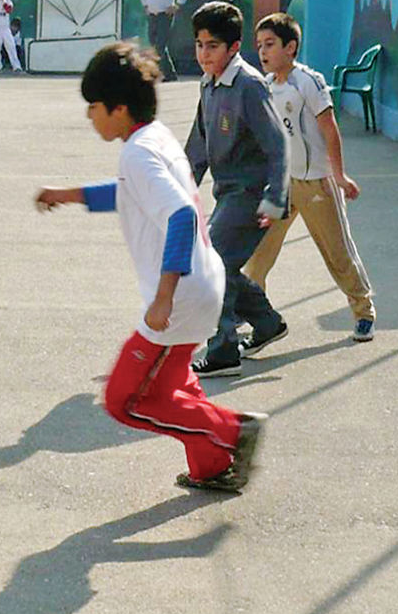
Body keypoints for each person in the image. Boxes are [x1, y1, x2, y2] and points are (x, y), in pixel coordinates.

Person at [34, 42, 267, 492]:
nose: (89, 117)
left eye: (94, 107)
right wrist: (68, 194)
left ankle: (232, 431)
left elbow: (179, 214)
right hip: (202, 284)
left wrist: (163, 297)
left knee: (125, 400)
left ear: (119, 108)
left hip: (179, 296)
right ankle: (212, 465)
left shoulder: (138, 153)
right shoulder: (153, 138)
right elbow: (128, 195)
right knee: (171, 388)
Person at [245, 13, 377, 344]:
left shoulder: (309, 82)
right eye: (259, 45)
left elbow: (329, 129)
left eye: (270, 44)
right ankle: (253, 316)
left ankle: (363, 312)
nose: (263, 52)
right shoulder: (265, 87)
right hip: (282, 186)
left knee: (338, 254)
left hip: (317, 184)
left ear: (290, 47)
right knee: (258, 254)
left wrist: (339, 175)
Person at [185, 1, 290, 377]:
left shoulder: (248, 85)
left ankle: (224, 350)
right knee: (221, 264)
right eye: (199, 44)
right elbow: (198, 144)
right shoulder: (208, 83)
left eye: (212, 45)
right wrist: (181, 189)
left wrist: (275, 196)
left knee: (212, 266)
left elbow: (278, 145)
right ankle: (266, 324)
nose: (203, 53)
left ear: (233, 47)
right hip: (228, 193)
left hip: (254, 195)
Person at [139, 0, 190, 81]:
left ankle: (164, 75)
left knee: (160, 45)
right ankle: (168, 74)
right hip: (152, 15)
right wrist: (145, 5)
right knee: (153, 44)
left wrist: (176, 6)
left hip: (165, 16)